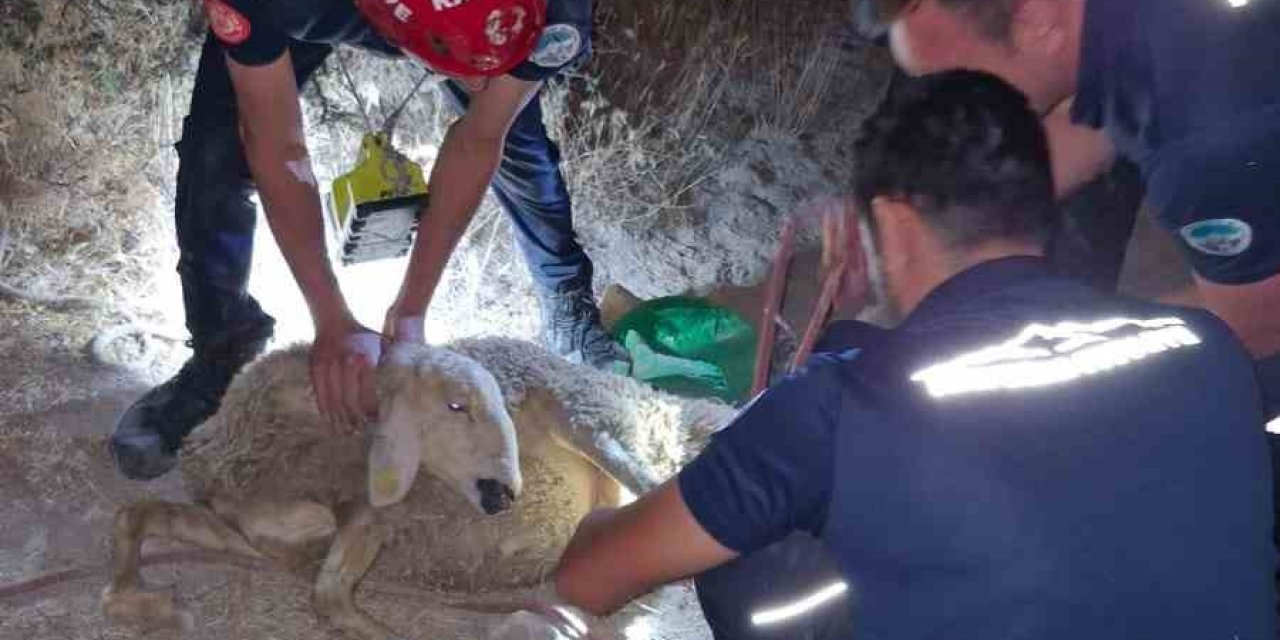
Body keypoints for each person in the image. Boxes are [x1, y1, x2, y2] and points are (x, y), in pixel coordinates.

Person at [551, 70, 1277, 639]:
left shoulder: (839, 407)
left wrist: (596, 520)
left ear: (892, 223)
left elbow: (592, 577)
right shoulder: (1205, 344)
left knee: (760, 554)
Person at [110, 0, 630, 480]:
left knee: (517, 138)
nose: (476, 82)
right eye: (471, 70)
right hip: (340, 10)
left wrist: (411, 309)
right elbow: (274, 139)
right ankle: (222, 349)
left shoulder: (556, 15)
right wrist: (329, 317)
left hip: (475, 26)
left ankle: (566, 299)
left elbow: (479, 138)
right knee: (217, 151)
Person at [854, 0, 1280, 418]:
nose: (954, 113)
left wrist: (1056, 346)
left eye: (960, 85)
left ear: (1036, 18)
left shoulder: (1198, 158)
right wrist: (909, 225)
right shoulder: (1129, 34)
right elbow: (1102, 126)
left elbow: (1252, 333)